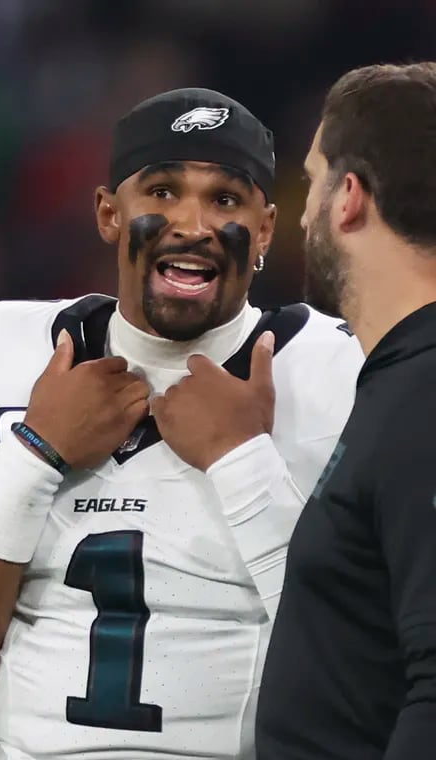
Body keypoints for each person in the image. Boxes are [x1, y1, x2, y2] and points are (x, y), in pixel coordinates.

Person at [0, 89, 364, 759]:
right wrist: (36, 453)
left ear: (266, 228)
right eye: (162, 192)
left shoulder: (341, 372)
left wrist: (242, 461)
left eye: (224, 200)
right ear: (109, 213)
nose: (190, 223)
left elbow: (374, 668)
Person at [255, 62, 436, 760]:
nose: (299, 213)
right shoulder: (401, 379)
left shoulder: (423, 391)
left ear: (349, 198)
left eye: (312, 178)